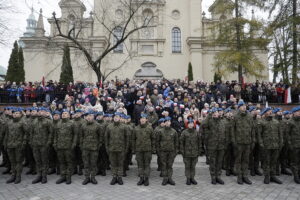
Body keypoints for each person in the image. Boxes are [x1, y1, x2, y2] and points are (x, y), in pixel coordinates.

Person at [258, 107, 283, 184]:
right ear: (265, 113)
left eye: (271, 111)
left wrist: (281, 142)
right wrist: (261, 144)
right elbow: (259, 135)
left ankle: (273, 176)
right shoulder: (261, 122)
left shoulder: (276, 122)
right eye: (269, 111)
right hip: (266, 145)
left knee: (274, 161)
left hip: (275, 145)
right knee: (266, 161)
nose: (270, 112)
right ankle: (267, 176)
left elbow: (280, 134)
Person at [232, 100, 254, 185]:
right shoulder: (235, 116)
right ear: (239, 107)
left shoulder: (249, 116)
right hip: (239, 142)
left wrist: (253, 140)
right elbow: (232, 130)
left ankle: (245, 176)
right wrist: (234, 141)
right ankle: (239, 177)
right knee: (238, 160)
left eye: (245, 105)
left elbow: (252, 129)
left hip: (247, 141)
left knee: (246, 160)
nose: (244, 107)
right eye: (242, 106)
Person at [3, 108, 28, 184]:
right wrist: (5, 143)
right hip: (10, 145)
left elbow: (26, 133)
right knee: (12, 161)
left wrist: (23, 143)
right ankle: (13, 175)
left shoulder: (22, 122)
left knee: (18, 161)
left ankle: (18, 176)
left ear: (20, 114)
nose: (15, 114)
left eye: (17, 113)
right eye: (14, 113)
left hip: (19, 145)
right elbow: (7, 134)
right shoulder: (9, 122)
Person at [53, 109, 77, 185]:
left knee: (69, 162)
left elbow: (75, 135)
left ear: (69, 115)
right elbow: (55, 135)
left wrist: (73, 144)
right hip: (60, 146)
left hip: (68, 146)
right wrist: (55, 144)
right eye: (63, 113)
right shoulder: (58, 123)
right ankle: (63, 176)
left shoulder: (72, 123)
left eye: (65, 113)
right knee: (61, 162)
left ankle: (68, 176)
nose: (64, 114)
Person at [105, 113, 129, 185]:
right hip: (112, 148)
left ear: (119, 118)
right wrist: (107, 148)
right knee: (113, 164)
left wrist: (126, 148)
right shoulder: (109, 127)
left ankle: (119, 177)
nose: (116, 118)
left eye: (117, 117)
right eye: (115, 116)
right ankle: (114, 177)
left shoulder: (124, 127)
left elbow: (127, 138)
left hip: (121, 149)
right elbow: (106, 138)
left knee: (120, 164)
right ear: (113, 118)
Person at [205, 108, 228, 184]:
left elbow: (225, 133)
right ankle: (213, 177)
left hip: (221, 145)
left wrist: (225, 143)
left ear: (219, 113)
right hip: (212, 145)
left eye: (217, 112)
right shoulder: (210, 121)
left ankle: (218, 176)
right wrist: (209, 115)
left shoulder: (222, 122)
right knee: (212, 162)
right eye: (214, 112)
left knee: (219, 162)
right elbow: (204, 125)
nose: (215, 113)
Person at [31, 107, 53, 184]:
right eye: (39, 111)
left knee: (44, 161)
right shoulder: (34, 121)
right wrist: (32, 142)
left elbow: (51, 133)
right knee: (37, 160)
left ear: (45, 112)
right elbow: (31, 133)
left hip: (44, 144)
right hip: (35, 144)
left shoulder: (48, 122)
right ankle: (39, 175)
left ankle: (44, 176)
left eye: (42, 111)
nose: (40, 112)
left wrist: (48, 143)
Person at [132, 114, 155, 186]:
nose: (142, 119)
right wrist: (134, 149)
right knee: (140, 164)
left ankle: (146, 178)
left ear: (146, 120)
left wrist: (153, 149)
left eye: (144, 118)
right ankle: (141, 178)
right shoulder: (136, 128)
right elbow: (133, 139)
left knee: (147, 164)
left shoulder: (149, 128)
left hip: (147, 149)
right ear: (139, 120)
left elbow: (153, 139)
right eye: (141, 118)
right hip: (139, 149)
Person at [81, 111, 103, 185]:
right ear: (86, 117)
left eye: (91, 115)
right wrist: (82, 145)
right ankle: (87, 177)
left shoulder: (97, 125)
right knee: (86, 163)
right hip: (85, 148)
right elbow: (81, 136)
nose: (89, 117)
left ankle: (93, 177)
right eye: (88, 116)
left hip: (94, 148)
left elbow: (101, 137)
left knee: (93, 163)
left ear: (93, 116)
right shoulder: (83, 125)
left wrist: (98, 146)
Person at [156, 117, 179, 186]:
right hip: (163, 151)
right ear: (164, 122)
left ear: (170, 122)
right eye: (166, 121)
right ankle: (165, 178)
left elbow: (176, 143)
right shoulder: (160, 131)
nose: (167, 122)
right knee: (164, 165)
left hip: (171, 151)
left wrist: (175, 152)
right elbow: (157, 142)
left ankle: (170, 178)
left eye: (169, 121)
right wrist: (158, 151)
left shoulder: (174, 131)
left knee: (170, 165)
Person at [180, 119, 202, 185]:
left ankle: (192, 178)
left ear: (193, 124)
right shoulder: (184, 132)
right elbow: (181, 143)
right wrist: (182, 152)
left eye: (192, 123)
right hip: (186, 153)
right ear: (187, 125)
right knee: (187, 166)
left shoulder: (196, 132)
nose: (190, 124)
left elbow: (199, 142)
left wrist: (199, 151)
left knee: (193, 166)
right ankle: (188, 178)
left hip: (195, 153)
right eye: (189, 123)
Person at [287, 106, 300, 184]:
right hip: (294, 144)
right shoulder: (290, 122)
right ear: (294, 112)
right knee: (295, 161)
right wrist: (290, 145)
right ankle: (296, 176)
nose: (299, 112)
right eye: (298, 111)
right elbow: (287, 134)